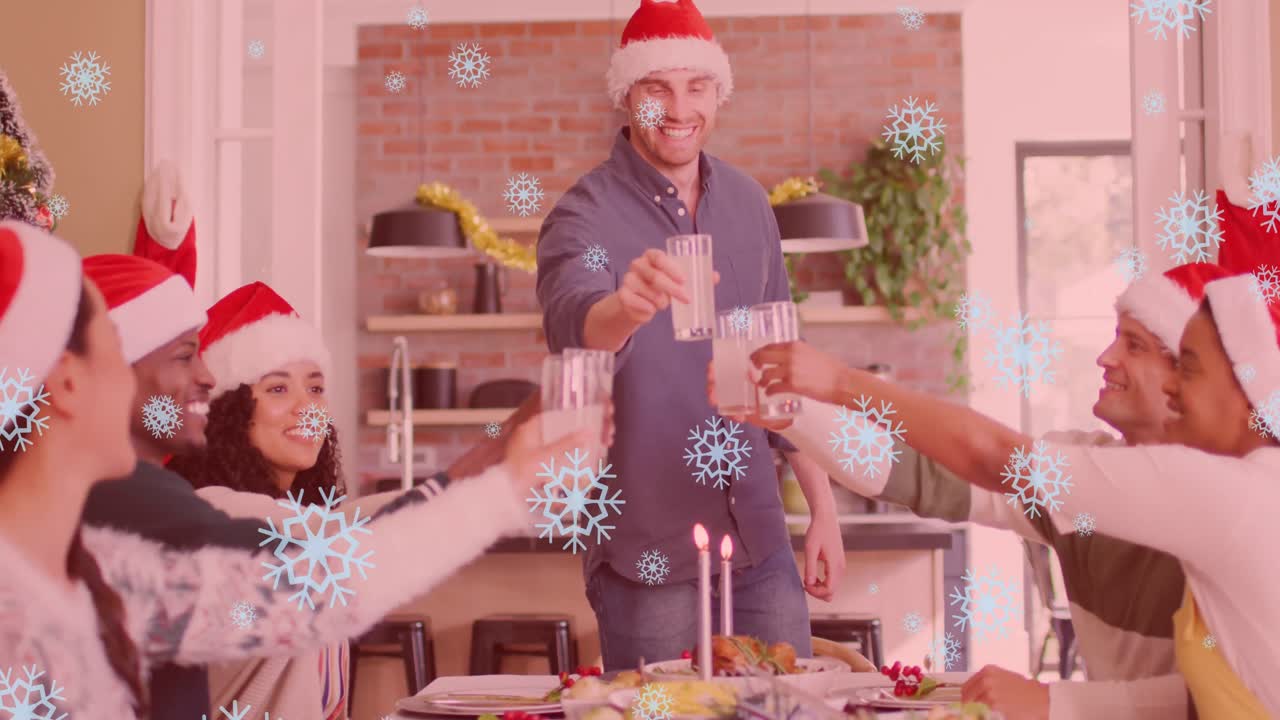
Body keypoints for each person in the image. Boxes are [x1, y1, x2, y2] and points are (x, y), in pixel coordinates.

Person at [0, 220, 601, 719]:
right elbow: (317, 582)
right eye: (185, 355)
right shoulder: (125, 507)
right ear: (68, 383)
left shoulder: (103, 551)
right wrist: (504, 488)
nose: (208, 376)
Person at [713, 263, 1237, 719]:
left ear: (1185, 373)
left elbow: (1225, 697)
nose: (1105, 357)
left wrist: (1055, 703)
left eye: (1135, 345)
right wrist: (793, 414)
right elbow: (919, 472)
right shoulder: (1090, 476)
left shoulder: (1233, 506)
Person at [535, 0, 842, 669]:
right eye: (657, 89)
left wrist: (822, 509)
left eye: (696, 87)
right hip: (646, 552)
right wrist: (625, 306)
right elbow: (572, 325)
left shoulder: (748, 203)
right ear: (627, 94)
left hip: (761, 544)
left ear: (718, 94)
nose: (679, 108)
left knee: (785, 713)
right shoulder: (581, 214)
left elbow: (782, 364)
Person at [164, 281, 383, 719]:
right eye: (279, 389)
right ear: (228, 411)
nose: (308, 407)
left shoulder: (295, 520)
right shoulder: (218, 514)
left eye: (316, 389)